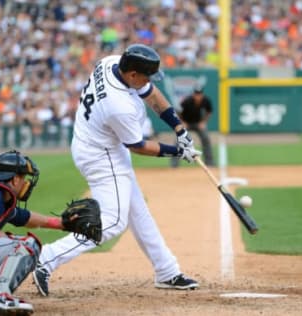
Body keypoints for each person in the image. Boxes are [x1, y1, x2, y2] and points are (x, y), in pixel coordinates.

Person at [32, 43, 202, 296]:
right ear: (132, 75)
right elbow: (138, 146)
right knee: (112, 221)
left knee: (138, 211)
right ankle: (45, 258)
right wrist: (178, 151)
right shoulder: (118, 105)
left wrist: (179, 128)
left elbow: (153, 94)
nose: (149, 80)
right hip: (101, 155)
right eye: (146, 76)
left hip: (96, 141)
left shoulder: (113, 62)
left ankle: (166, 271)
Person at [0, 150, 71, 315]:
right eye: (24, 178)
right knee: (25, 245)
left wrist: (63, 224)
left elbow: (25, 217)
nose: (26, 183)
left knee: (12, 241)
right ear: (15, 179)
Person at [171, 85, 215, 167]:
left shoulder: (205, 100)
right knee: (178, 140)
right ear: (193, 94)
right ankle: (174, 165)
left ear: (202, 94)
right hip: (186, 123)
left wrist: (203, 122)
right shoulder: (187, 101)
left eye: (199, 94)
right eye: (196, 94)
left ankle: (209, 162)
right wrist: (182, 122)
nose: (198, 96)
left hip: (198, 123)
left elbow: (209, 111)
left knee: (206, 138)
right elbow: (177, 111)